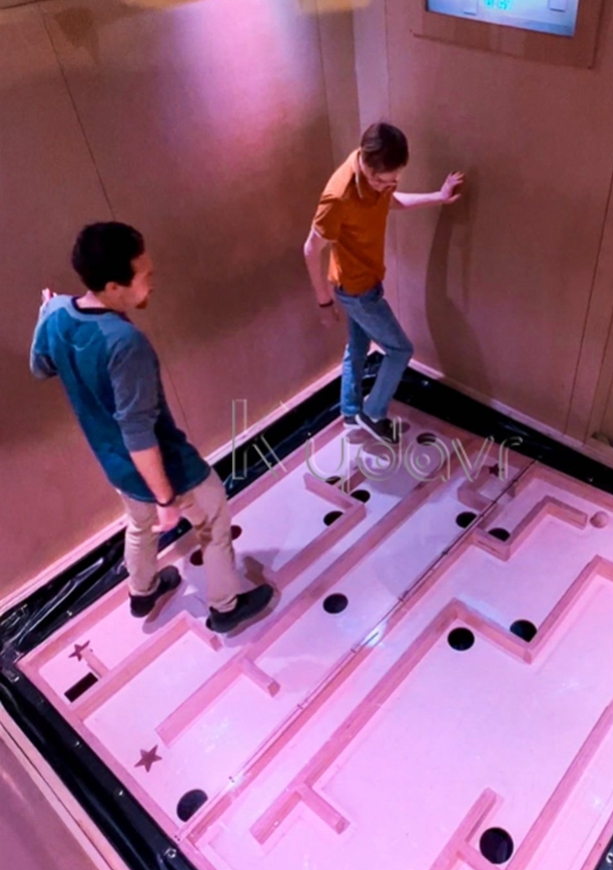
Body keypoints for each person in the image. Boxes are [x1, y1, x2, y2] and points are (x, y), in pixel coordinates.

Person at [29, 222, 273, 634]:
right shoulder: (125, 343)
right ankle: (226, 606)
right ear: (114, 287)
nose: (153, 282)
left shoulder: (57, 314)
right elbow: (138, 432)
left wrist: (44, 316)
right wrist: (166, 498)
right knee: (213, 520)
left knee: (139, 524)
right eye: (145, 276)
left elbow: (41, 367)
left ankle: (142, 591)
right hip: (165, 466)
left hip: (117, 468)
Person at [304, 122, 463, 443]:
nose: (386, 186)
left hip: (367, 281)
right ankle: (372, 413)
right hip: (356, 291)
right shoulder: (338, 196)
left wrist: (439, 197)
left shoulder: (379, 179)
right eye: (380, 181)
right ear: (365, 163)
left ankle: (351, 413)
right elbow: (310, 249)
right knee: (400, 349)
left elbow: (391, 200)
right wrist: (323, 303)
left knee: (357, 347)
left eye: (392, 180)